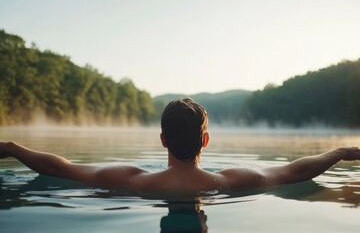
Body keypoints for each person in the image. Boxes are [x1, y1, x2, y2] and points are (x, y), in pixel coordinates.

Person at [0, 98, 359, 192]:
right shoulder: (234, 181)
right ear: (205, 140)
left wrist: (14, 147)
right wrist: (341, 152)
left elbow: (57, 167)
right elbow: (297, 170)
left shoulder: (130, 180)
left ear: (162, 140)